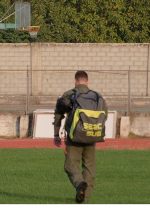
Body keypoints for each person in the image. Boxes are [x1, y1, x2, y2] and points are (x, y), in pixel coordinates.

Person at [53, 70, 106, 203]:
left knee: (70, 165)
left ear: (75, 81)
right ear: (87, 82)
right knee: (89, 166)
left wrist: (56, 134)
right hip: (92, 135)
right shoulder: (97, 97)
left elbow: (58, 115)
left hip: (74, 137)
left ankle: (79, 183)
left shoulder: (69, 95)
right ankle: (85, 199)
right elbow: (104, 114)